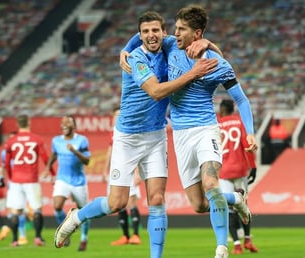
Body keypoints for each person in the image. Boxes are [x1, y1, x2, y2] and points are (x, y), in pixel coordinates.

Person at [54, 10, 219, 258]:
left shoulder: (170, 45)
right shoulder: (135, 59)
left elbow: (212, 51)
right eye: (145, 32)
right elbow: (155, 91)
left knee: (156, 199)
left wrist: (206, 42)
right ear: (139, 35)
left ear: (164, 34)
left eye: (155, 31)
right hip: (127, 138)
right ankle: (77, 216)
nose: (150, 35)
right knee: (116, 203)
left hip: (155, 137)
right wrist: (192, 74)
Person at [120, 5, 258, 258]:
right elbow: (146, 34)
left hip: (206, 129)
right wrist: (126, 49)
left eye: (181, 29)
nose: (175, 33)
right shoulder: (172, 45)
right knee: (198, 205)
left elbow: (242, 100)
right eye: (175, 28)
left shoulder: (217, 64)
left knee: (210, 182)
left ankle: (221, 247)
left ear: (197, 33)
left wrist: (250, 132)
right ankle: (235, 200)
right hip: (180, 135)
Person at [3, 114, 54, 247]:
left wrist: (10, 176)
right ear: (29, 123)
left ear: (17, 124)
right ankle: (37, 238)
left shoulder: (11, 141)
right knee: (37, 209)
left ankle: (14, 240)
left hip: (16, 180)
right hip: (31, 180)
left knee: (15, 211)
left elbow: (7, 163)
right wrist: (51, 172)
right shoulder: (36, 139)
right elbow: (45, 157)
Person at [218, 99, 259, 255]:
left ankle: (236, 245)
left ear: (222, 110)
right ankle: (248, 239)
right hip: (240, 169)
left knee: (229, 209)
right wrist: (253, 167)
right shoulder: (239, 122)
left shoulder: (217, 124)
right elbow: (247, 145)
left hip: (224, 172)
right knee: (243, 206)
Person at [45, 115, 91, 251]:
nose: (64, 125)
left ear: (74, 126)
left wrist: (74, 151)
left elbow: (87, 161)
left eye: (68, 122)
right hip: (62, 179)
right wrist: (48, 168)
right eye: (62, 123)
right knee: (57, 206)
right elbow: (54, 155)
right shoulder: (56, 141)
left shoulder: (81, 140)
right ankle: (65, 233)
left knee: (84, 211)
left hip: (78, 181)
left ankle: (84, 238)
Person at [103, 106, 142, 246]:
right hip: (116, 173)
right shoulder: (113, 133)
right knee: (118, 205)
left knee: (132, 203)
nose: (117, 118)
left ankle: (136, 235)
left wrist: (137, 173)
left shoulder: (130, 130)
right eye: (115, 115)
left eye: (119, 115)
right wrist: (104, 170)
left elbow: (135, 152)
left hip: (130, 172)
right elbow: (110, 151)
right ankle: (125, 236)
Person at [0, 131, 28, 244]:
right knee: (12, 211)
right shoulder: (4, 152)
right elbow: (3, 166)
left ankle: (21, 236)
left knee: (19, 211)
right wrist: (1, 177)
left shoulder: (23, 152)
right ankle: (12, 230)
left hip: (23, 183)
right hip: (11, 184)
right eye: (9, 139)